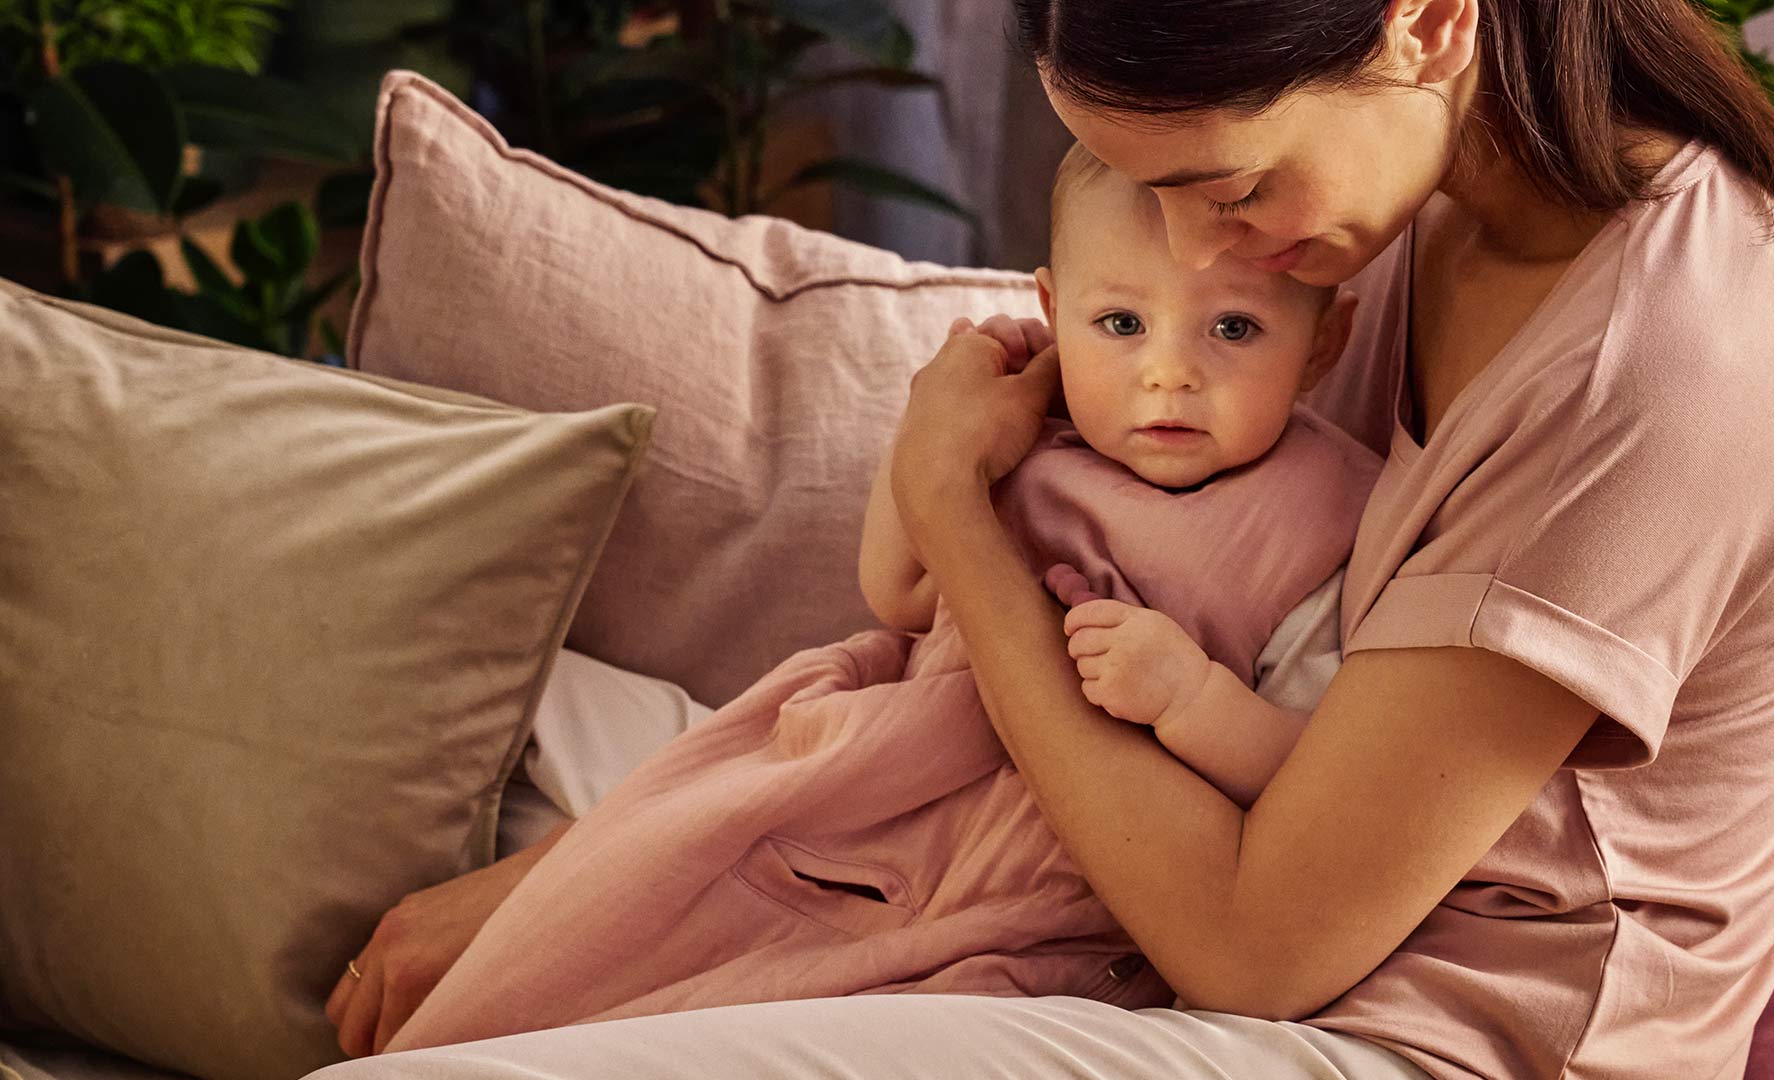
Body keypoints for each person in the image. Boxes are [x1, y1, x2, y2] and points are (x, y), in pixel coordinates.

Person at [309, 0, 1774, 1076]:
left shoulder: (1664, 357)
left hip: (1400, 1035)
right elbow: (953, 664)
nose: (1201, 255)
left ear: (1432, 20)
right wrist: (579, 876)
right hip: (1127, 889)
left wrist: (949, 519)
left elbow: (1256, 947)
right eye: (1143, 194)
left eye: (1231, 185)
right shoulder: (1413, 209)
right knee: (472, 754)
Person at [344, 140, 1384, 1054]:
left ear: (1322, 347)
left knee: (803, 991)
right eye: (1120, 322)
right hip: (869, 782)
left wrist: (1194, 701)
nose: (1169, 374)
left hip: (1060, 864)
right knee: (628, 910)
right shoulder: (1029, 439)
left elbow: (1317, 778)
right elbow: (896, 591)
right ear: (1053, 313)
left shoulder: (1322, 524)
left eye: (1234, 332)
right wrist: (937, 449)